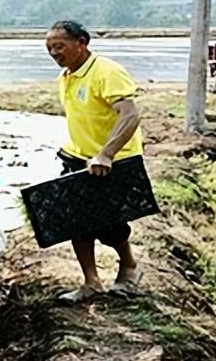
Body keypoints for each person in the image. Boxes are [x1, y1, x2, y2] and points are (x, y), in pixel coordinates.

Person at [44, 20, 145, 302]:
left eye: (60, 46)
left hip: (114, 161)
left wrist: (106, 154)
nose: (54, 53)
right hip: (77, 157)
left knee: (110, 224)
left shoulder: (106, 71)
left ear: (82, 42)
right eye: (49, 48)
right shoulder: (66, 75)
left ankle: (129, 266)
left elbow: (130, 115)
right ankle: (91, 282)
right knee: (78, 222)